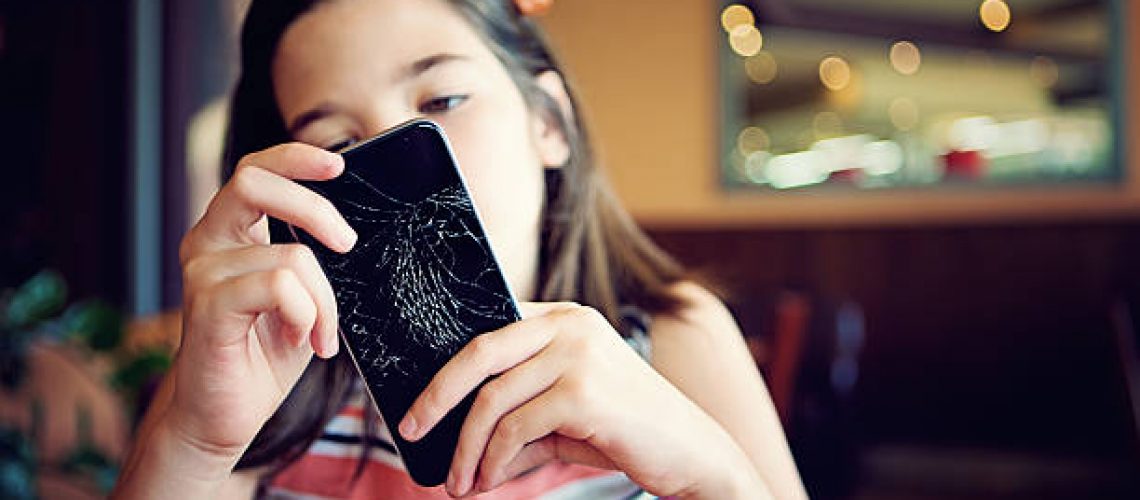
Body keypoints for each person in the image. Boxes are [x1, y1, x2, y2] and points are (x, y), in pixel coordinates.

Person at [112, 0, 806, 498]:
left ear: (549, 123)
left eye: (442, 99)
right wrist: (193, 445)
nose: (403, 163)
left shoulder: (676, 339)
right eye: (336, 146)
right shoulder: (265, 371)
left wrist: (712, 477)